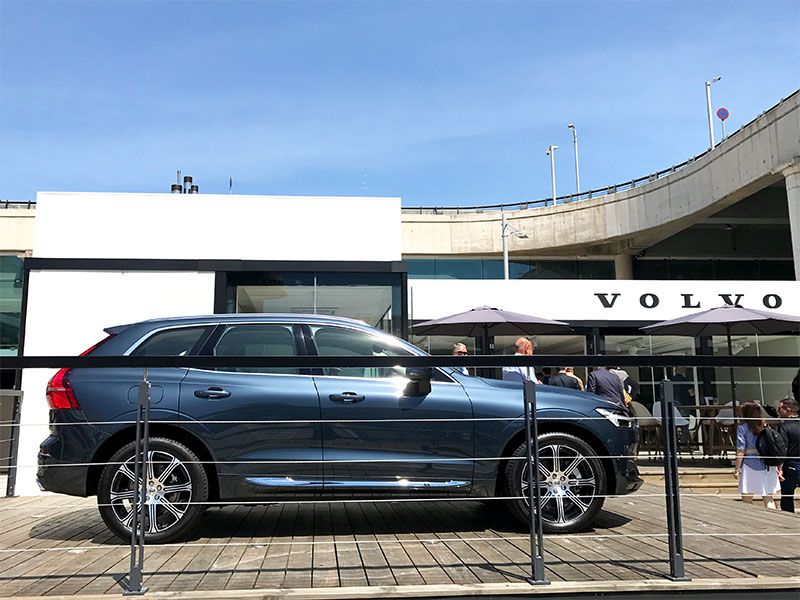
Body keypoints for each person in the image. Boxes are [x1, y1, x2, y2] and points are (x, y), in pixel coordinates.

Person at [734, 401, 780, 509]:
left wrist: (737, 469)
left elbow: (740, 451)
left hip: (749, 464)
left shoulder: (742, 428)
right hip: (767, 463)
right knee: (768, 499)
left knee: (747, 498)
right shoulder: (765, 425)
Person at [777, 397, 800, 512]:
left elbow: (783, 449)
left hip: (791, 463)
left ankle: (788, 519)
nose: (778, 411)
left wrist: (780, 468)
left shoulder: (785, 427)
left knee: (787, 495)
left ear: (788, 410)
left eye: (780, 408)